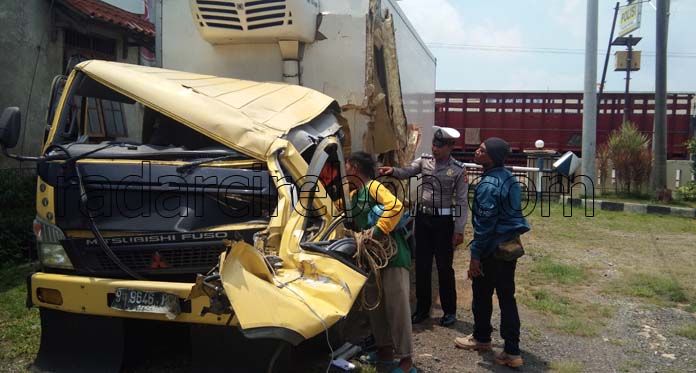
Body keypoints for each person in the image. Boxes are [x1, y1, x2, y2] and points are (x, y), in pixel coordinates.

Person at [378, 126, 468, 327]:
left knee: (444, 268)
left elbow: (462, 202)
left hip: (444, 223)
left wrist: (459, 229)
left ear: (450, 147)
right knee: (422, 266)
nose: (435, 149)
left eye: (440, 146)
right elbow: (407, 171)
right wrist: (392, 171)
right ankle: (422, 309)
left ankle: (449, 311)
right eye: (434, 145)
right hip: (423, 220)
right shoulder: (425, 161)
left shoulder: (459, 169)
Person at [453, 137, 530, 368]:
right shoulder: (509, 178)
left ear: (492, 157)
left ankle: (481, 338)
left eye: (481, 150)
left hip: (492, 250)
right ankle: (512, 351)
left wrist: (475, 256)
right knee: (507, 298)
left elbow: (485, 225)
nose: (476, 152)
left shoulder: (488, 185)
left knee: (482, 293)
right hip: (509, 247)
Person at [345, 152, 416, 373]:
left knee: (397, 308)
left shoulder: (374, 187)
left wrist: (377, 231)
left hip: (392, 256)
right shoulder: (354, 195)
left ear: (355, 167)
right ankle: (384, 352)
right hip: (371, 259)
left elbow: (395, 206)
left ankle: (406, 361)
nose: (344, 171)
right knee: (375, 306)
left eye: (346, 166)